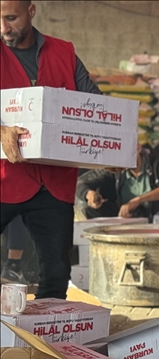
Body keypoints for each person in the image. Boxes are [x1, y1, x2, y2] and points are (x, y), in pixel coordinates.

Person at [0, 0, 103, 299]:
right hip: (6, 178)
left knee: (57, 273)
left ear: (31, 12)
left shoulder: (63, 53)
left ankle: (47, 342)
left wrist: (113, 149)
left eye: (11, 18)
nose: (4, 28)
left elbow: (95, 105)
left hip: (53, 184)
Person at [75, 144, 159, 221]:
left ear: (138, 148)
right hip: (125, 220)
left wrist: (140, 199)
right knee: (88, 208)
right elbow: (80, 183)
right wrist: (89, 194)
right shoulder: (116, 171)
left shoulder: (157, 164)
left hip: (155, 220)